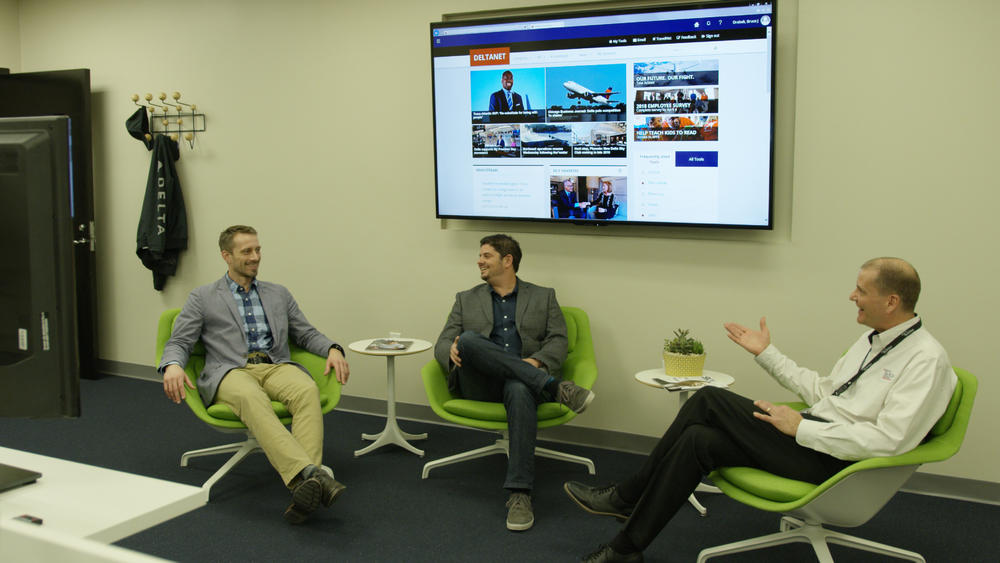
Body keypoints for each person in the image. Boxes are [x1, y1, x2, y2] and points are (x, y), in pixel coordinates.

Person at [565, 257, 955, 562]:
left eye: (860, 290)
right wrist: (767, 354)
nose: (852, 296)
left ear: (891, 301)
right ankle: (626, 548)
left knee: (708, 399)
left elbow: (888, 441)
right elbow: (825, 393)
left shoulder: (926, 360)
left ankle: (628, 495)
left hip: (843, 466)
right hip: (816, 438)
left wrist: (802, 428)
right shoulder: (873, 341)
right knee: (699, 440)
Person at [159, 225, 351, 524]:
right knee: (250, 396)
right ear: (227, 256)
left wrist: (333, 348)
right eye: (246, 251)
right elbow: (180, 341)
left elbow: (305, 333)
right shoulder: (203, 297)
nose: (255, 257)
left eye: (257, 250)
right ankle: (311, 477)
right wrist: (172, 364)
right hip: (229, 370)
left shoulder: (278, 293)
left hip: (274, 365)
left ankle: (305, 485)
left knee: (306, 390)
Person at [434, 234, 595, 532]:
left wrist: (534, 362)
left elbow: (559, 340)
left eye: (486, 256)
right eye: (480, 256)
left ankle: (520, 494)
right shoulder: (465, 298)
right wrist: (451, 350)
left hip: (522, 385)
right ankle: (554, 387)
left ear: (507, 260)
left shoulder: (544, 296)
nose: (479, 261)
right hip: (479, 384)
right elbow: (443, 341)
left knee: (520, 387)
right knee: (468, 339)